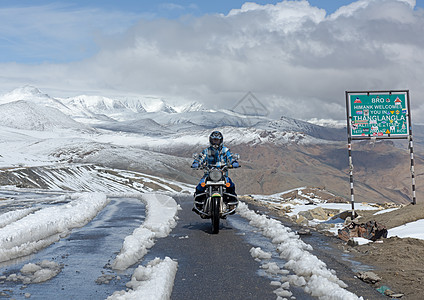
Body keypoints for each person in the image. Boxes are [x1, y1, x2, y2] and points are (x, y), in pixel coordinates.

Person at [191, 131, 240, 212]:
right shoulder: (206, 151)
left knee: (230, 185)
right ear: (210, 140)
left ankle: (231, 203)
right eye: (214, 140)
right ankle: (199, 204)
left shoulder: (225, 150)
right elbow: (201, 158)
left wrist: (234, 162)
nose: (215, 142)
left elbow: (230, 157)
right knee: (200, 186)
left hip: (223, 175)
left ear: (221, 141)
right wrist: (196, 163)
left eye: (217, 140)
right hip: (208, 174)